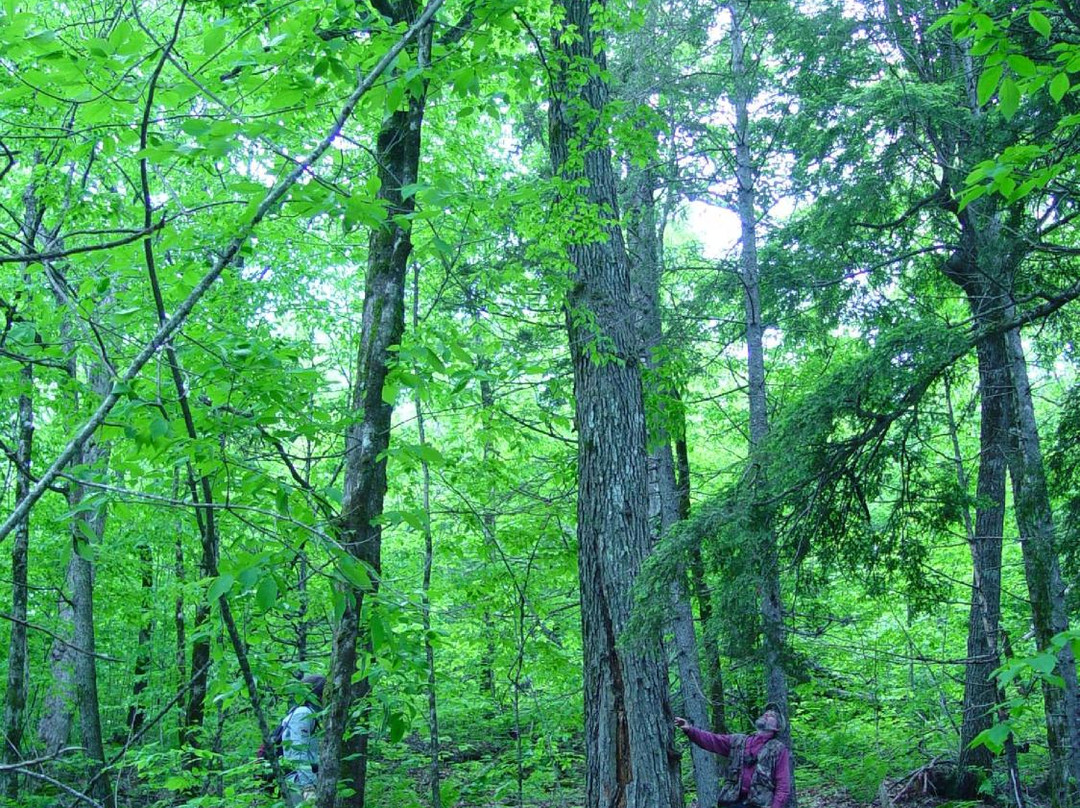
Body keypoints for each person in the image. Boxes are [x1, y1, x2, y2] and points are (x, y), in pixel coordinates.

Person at [674, 709, 792, 808]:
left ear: (777, 727)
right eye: (765, 713)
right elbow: (712, 740)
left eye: (771, 716)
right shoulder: (738, 741)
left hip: (758, 804)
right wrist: (689, 729)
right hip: (731, 802)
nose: (766, 715)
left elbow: (783, 786)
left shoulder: (778, 750)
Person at [280, 674, 325, 801]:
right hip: (298, 781)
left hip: (305, 778)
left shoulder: (310, 713)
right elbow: (298, 751)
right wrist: (308, 787)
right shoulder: (303, 713)